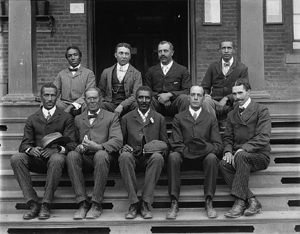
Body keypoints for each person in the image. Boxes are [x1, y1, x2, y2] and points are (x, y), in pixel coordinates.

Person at [10, 83, 77, 220]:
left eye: (53, 95)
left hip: (57, 162)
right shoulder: (32, 118)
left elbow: (72, 143)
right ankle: (33, 203)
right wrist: (31, 149)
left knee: (57, 158)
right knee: (16, 158)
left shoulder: (66, 117)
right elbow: (24, 144)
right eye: (46, 95)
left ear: (57, 97)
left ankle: (46, 203)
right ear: (41, 97)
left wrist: (57, 150)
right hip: (38, 159)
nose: (50, 98)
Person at [66, 87, 123, 220]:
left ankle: (96, 203)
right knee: (72, 155)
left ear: (100, 99)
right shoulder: (78, 118)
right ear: (85, 101)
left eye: (95, 98)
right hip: (86, 157)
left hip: (106, 157)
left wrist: (99, 146)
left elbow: (118, 140)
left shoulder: (111, 117)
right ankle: (82, 203)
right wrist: (78, 147)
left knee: (100, 155)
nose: (92, 101)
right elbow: (71, 141)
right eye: (89, 98)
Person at [166, 85, 222, 219]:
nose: (195, 98)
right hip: (184, 159)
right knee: (173, 156)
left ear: (203, 98)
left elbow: (218, 145)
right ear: (188, 97)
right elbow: (175, 143)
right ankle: (174, 202)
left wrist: (201, 150)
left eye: (199, 95)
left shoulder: (210, 118)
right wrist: (189, 151)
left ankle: (209, 201)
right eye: (193, 95)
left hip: (204, 160)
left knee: (213, 158)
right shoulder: (179, 117)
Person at [219, 78, 271, 218]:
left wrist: (244, 148)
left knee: (241, 156)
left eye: (240, 93)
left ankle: (240, 202)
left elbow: (263, 137)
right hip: (239, 156)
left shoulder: (261, 110)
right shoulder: (231, 114)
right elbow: (228, 138)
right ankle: (252, 200)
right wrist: (228, 151)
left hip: (259, 156)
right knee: (223, 164)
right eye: (234, 94)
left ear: (249, 92)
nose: (237, 97)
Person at [118, 86, 169, 219]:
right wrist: (123, 148)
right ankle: (134, 203)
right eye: (141, 97)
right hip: (133, 158)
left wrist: (155, 148)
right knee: (124, 156)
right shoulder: (126, 118)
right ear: (136, 99)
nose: (144, 100)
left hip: (150, 159)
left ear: (151, 100)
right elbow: (120, 142)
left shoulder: (159, 118)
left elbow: (166, 145)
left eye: (147, 97)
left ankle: (145, 203)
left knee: (158, 157)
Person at [201, 40, 248, 117]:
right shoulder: (213, 66)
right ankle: (212, 125)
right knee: (205, 101)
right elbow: (205, 86)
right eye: (223, 48)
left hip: (232, 102)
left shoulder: (242, 68)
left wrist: (227, 98)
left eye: (229, 48)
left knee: (241, 101)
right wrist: (206, 94)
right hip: (215, 101)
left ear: (234, 50)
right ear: (220, 50)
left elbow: (244, 89)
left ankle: (231, 124)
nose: (226, 51)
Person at [144, 41, 191, 116]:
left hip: (175, 104)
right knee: (148, 99)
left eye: (165, 51)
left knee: (184, 98)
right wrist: (160, 97)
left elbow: (187, 90)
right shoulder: (151, 71)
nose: (162, 54)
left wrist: (170, 95)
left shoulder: (182, 70)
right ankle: (151, 126)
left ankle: (183, 125)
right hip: (157, 104)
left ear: (172, 53)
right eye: (160, 51)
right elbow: (147, 90)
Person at [98, 42, 142, 116]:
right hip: (110, 104)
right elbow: (101, 91)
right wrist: (103, 100)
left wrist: (122, 106)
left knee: (137, 105)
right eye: (121, 53)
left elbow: (136, 94)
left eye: (126, 54)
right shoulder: (107, 72)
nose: (124, 56)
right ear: (115, 55)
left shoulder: (136, 73)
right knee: (99, 105)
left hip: (128, 106)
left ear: (130, 56)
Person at [53, 46, 96, 116]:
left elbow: (89, 92)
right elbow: (54, 91)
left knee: (89, 105)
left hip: (82, 104)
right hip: (64, 104)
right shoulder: (61, 74)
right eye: (69, 56)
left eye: (75, 55)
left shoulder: (89, 73)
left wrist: (73, 105)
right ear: (67, 59)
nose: (73, 58)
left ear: (80, 57)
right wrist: (58, 101)